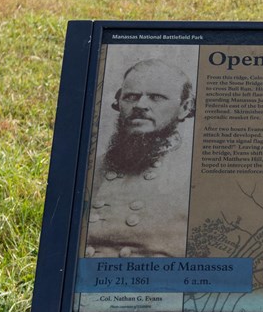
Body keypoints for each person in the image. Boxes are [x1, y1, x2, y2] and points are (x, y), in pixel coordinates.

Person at [84, 58, 196, 258]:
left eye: (156, 97)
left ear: (185, 107)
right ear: (118, 103)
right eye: (131, 97)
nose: (140, 105)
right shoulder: (90, 167)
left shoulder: (195, 173)